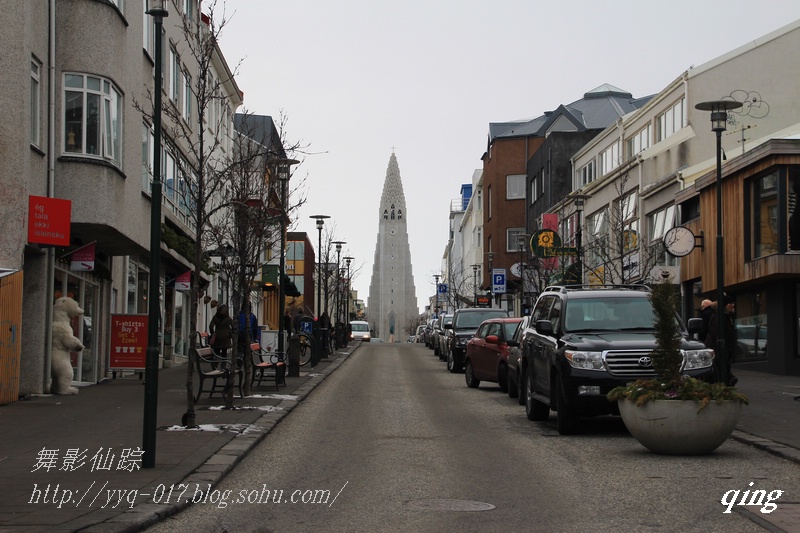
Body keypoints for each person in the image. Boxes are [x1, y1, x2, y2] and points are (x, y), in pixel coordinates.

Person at [704, 295, 738, 386]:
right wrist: (720, 347)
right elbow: (716, 334)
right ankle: (726, 382)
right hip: (717, 349)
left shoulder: (724, 316)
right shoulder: (718, 317)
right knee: (720, 368)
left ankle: (728, 381)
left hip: (721, 348)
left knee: (723, 367)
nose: (733, 305)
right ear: (726, 305)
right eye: (731, 304)